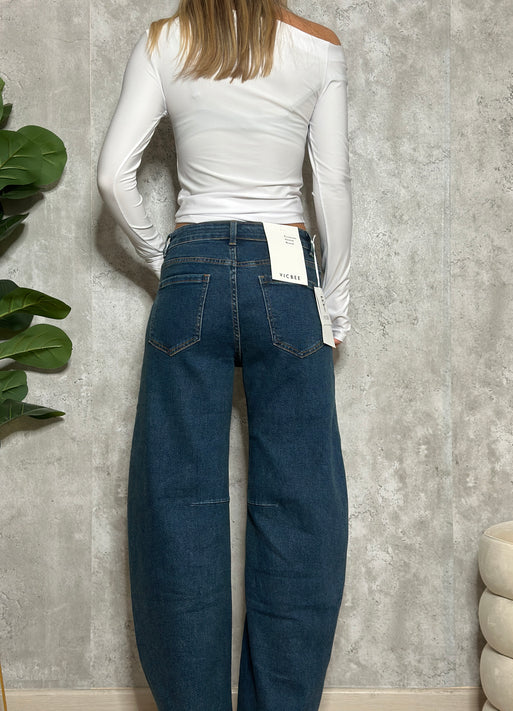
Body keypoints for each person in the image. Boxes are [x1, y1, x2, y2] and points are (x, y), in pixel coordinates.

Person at [96, 1, 352, 709]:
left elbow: (112, 177)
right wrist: (334, 306)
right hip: (288, 275)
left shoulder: (165, 41)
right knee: (300, 504)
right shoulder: (318, 46)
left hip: (193, 266)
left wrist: (166, 260)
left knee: (176, 500)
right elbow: (331, 184)